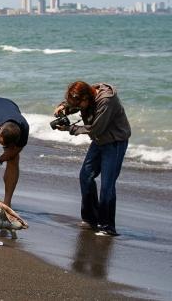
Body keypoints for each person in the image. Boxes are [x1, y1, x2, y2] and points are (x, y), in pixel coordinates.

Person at [53, 81, 131, 237]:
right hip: (99, 140)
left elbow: (96, 128)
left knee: (107, 184)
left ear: (87, 97)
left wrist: (70, 129)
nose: (80, 108)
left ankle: (107, 226)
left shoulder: (106, 100)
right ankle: (90, 219)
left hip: (115, 141)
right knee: (85, 176)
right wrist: (64, 108)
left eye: (80, 105)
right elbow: (78, 105)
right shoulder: (86, 97)